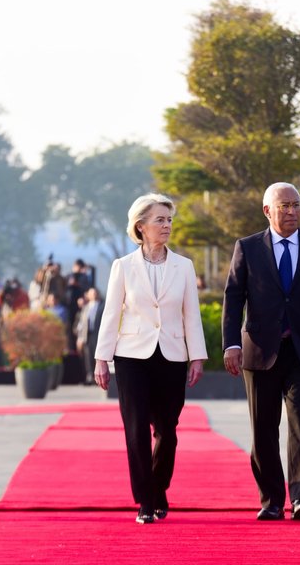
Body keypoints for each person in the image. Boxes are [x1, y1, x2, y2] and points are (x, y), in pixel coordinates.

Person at [222, 182, 300, 521]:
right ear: (267, 211)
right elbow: (233, 298)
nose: (292, 211)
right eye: (284, 205)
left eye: (296, 204)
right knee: (263, 428)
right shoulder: (247, 248)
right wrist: (231, 344)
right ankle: (271, 500)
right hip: (259, 352)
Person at [94, 193, 207, 525]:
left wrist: (197, 357)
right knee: (136, 429)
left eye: (169, 220)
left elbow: (191, 315)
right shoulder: (123, 266)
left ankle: (159, 487)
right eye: (160, 220)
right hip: (131, 356)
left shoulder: (184, 266)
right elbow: (111, 313)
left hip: (172, 355)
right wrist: (102, 359)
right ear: (141, 226)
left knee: (167, 430)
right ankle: (145, 500)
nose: (167, 225)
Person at [76, 286, 104, 385]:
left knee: (98, 356)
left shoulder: (102, 306)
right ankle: (90, 376)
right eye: (92, 293)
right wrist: (80, 338)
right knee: (88, 356)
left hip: (98, 335)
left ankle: (99, 378)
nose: (94, 295)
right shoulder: (86, 307)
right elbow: (81, 324)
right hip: (87, 335)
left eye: (95, 293)